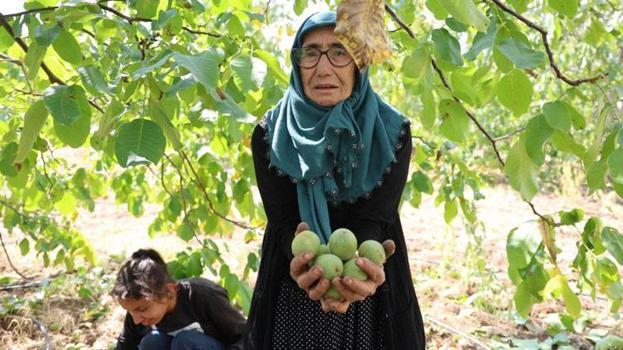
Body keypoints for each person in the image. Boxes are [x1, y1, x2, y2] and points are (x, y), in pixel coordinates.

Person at [244, 11, 425, 350]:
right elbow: (284, 222)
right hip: (295, 280)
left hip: (369, 284)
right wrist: (304, 266)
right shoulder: (270, 134)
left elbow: (374, 217)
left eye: (339, 51)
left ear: (358, 63)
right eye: (310, 52)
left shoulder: (391, 132)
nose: (323, 68)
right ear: (297, 64)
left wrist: (360, 272)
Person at [112, 249, 246, 350]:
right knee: (152, 342)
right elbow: (125, 346)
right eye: (130, 311)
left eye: (142, 309)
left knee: (186, 341)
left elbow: (246, 337)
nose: (136, 320)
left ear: (169, 291)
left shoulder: (203, 295)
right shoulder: (137, 314)